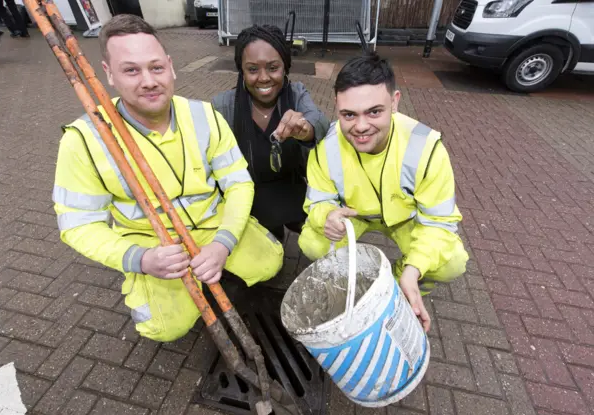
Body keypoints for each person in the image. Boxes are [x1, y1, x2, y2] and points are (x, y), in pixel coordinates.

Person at [52, 14, 284, 342]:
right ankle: (157, 286)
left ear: (171, 67)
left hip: (212, 227)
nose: (148, 80)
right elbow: (78, 225)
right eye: (131, 70)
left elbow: (238, 183)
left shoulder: (204, 115)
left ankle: (216, 271)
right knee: (163, 328)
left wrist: (223, 244)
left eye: (156, 67)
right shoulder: (84, 139)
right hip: (155, 246)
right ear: (109, 75)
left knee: (270, 263)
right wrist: (141, 260)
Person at [299, 53, 469, 332]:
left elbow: (439, 223)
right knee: (312, 243)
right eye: (349, 115)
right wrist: (327, 215)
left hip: (406, 220)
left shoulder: (426, 147)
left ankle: (403, 285)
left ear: (395, 102)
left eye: (374, 112)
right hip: (355, 217)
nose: (361, 126)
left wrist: (415, 269)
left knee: (452, 262)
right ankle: (353, 288)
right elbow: (317, 201)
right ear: (337, 108)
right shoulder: (325, 148)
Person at [212, 24, 329, 242]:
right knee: (264, 262)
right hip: (249, 193)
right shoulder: (223, 106)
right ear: (242, 71)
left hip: (292, 188)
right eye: (253, 69)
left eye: (273, 67)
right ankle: (268, 232)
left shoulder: (296, 94)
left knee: (321, 239)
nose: (264, 78)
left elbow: (320, 122)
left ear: (285, 67)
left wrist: (305, 130)